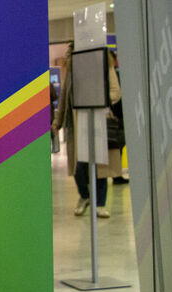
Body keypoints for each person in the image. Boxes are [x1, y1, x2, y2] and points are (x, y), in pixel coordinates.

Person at [52, 45, 122, 218]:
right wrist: (57, 122)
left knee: (100, 163)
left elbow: (115, 92)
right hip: (75, 123)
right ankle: (85, 196)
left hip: (99, 120)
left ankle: (100, 203)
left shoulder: (105, 64)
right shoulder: (72, 68)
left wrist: (97, 101)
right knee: (79, 165)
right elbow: (64, 98)